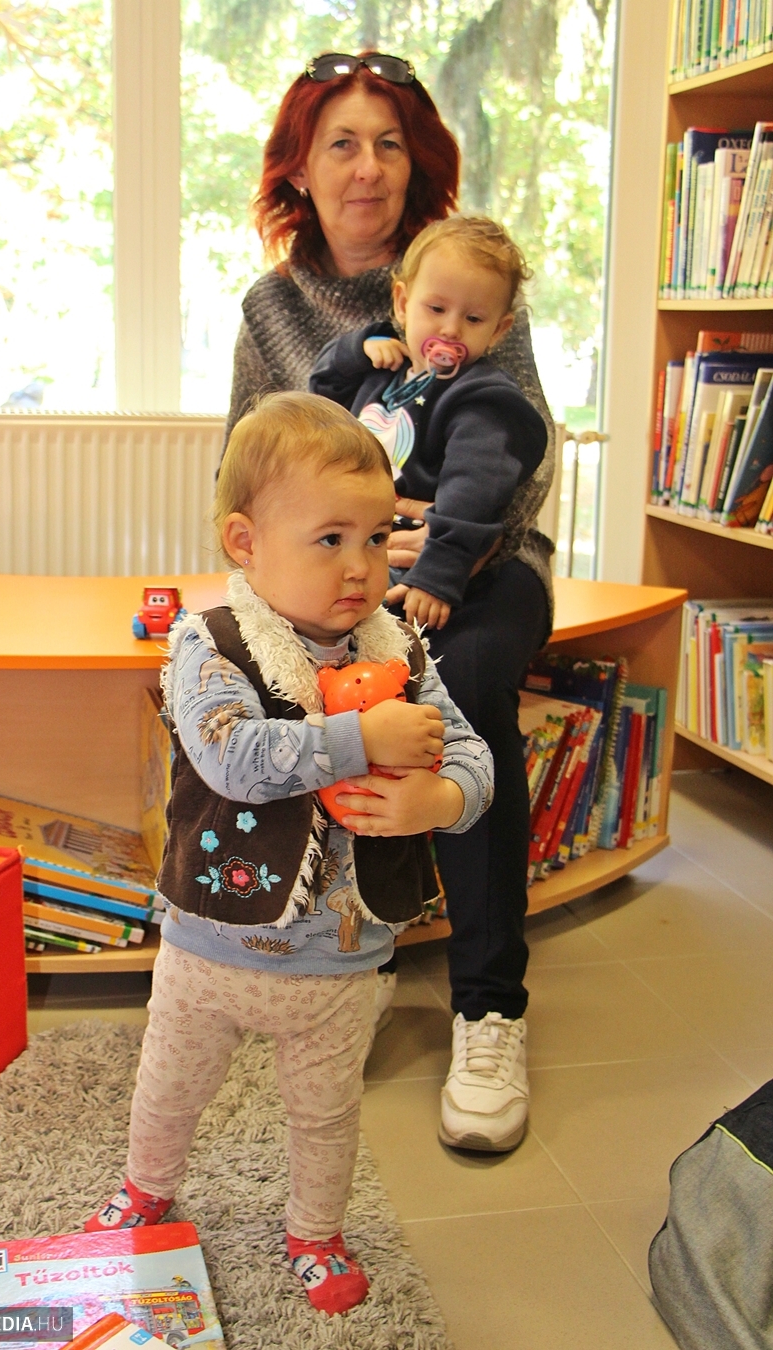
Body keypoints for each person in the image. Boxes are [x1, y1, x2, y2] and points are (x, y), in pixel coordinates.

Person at [86, 393, 493, 1316]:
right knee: (169, 1090)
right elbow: (232, 757)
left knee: (326, 1114)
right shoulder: (209, 642)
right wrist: (361, 740)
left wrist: (438, 798)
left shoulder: (400, 646)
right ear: (246, 542)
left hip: (341, 960)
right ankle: (146, 1189)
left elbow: (473, 757)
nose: (360, 566)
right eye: (330, 539)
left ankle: (315, 1230)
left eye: (377, 538)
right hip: (210, 945)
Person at [224, 51, 555, 1154]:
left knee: (458, 688)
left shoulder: (466, 275)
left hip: (483, 569)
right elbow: (245, 461)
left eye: (390, 144)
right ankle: (335, 960)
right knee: (287, 681)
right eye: (342, 144)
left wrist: (432, 543)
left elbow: (524, 460)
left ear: (417, 165)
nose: (368, 167)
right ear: (301, 168)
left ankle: (489, 1008)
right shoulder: (273, 306)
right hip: (330, 573)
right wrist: (333, 548)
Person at [309, 214, 547, 635]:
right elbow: (319, 395)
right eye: (436, 309)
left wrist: (437, 574)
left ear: (499, 330)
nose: (451, 328)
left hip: (413, 562)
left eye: (474, 319)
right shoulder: (383, 371)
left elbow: (472, 496)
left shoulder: (481, 402)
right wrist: (359, 349)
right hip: (352, 544)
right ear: (403, 303)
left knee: (372, 641)